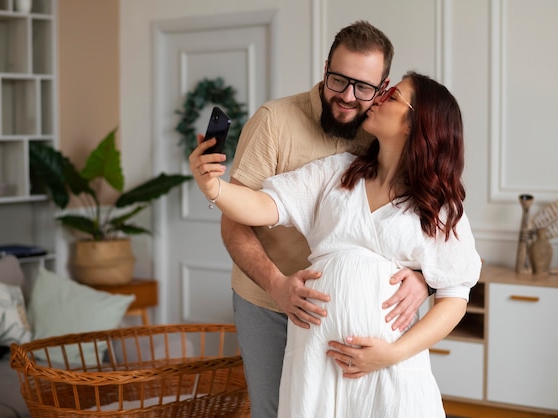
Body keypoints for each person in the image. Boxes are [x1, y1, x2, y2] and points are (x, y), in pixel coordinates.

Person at [190, 71, 482, 417]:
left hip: (388, 366)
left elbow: (454, 298)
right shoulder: (337, 173)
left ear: (416, 123)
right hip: (315, 358)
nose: (375, 99)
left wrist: (392, 353)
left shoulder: (438, 206)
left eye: (391, 97)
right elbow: (262, 206)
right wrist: (215, 188)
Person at [219, 21, 432, 416]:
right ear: (325, 70)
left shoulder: (383, 131)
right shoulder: (274, 121)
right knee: (275, 410)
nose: (349, 96)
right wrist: (278, 286)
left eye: (364, 87)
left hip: (352, 319)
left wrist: (425, 279)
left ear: (382, 88)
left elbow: (429, 226)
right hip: (268, 299)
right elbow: (235, 222)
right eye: (339, 80)